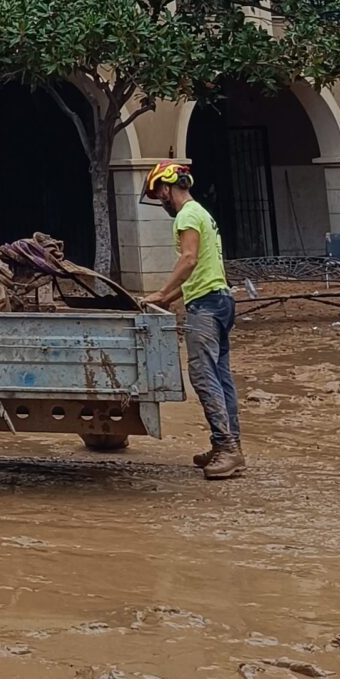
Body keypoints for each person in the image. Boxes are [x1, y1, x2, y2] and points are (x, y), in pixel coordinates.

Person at [142, 161, 243, 481]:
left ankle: (227, 448)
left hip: (206, 307)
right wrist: (169, 300)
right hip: (221, 301)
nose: (160, 199)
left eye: (160, 192)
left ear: (170, 187)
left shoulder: (186, 215)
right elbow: (200, 268)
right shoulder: (202, 212)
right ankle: (228, 445)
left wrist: (161, 292)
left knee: (203, 376)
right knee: (221, 376)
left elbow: (189, 259)